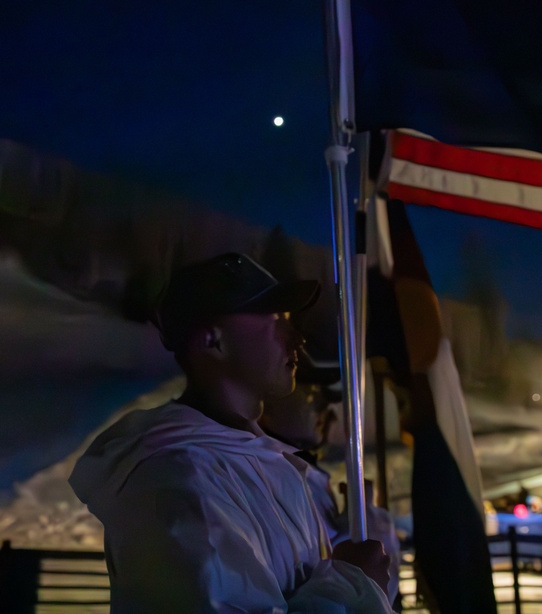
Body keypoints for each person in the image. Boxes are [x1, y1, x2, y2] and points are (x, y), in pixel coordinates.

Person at [69, 252, 393, 614]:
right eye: (274, 319)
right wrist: (353, 585)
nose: (296, 338)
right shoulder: (177, 482)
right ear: (213, 341)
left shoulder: (268, 466)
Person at [260, 362, 403, 610]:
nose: (330, 413)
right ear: (266, 403)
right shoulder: (258, 474)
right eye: (312, 394)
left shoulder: (303, 476)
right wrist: (363, 520)